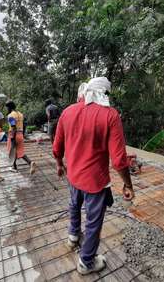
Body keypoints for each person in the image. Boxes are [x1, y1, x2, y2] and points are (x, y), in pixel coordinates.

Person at [53, 77, 135, 275]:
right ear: (104, 94)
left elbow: (57, 147)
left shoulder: (68, 111)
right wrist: (128, 185)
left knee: (74, 204)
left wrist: (59, 164)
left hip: (73, 175)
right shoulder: (110, 115)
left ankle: (73, 236)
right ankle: (86, 262)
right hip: (95, 181)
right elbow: (118, 161)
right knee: (93, 221)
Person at [5, 100, 36, 174]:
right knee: (19, 151)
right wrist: (23, 134)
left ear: (9, 107)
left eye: (7, 107)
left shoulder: (11, 115)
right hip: (20, 134)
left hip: (14, 134)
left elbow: (13, 127)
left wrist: (12, 138)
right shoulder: (20, 114)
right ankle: (30, 162)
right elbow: (24, 125)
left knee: (11, 151)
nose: (7, 109)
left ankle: (14, 167)